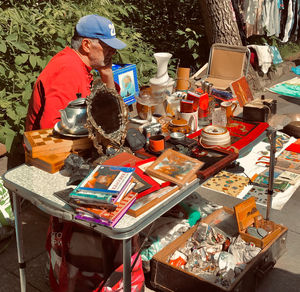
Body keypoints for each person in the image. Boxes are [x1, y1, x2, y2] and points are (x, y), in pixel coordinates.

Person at [25, 14, 126, 131]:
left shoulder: (79, 65)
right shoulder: (67, 69)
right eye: (108, 47)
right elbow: (54, 127)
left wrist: (107, 75)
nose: (113, 53)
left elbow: (114, 113)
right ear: (86, 45)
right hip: (48, 147)